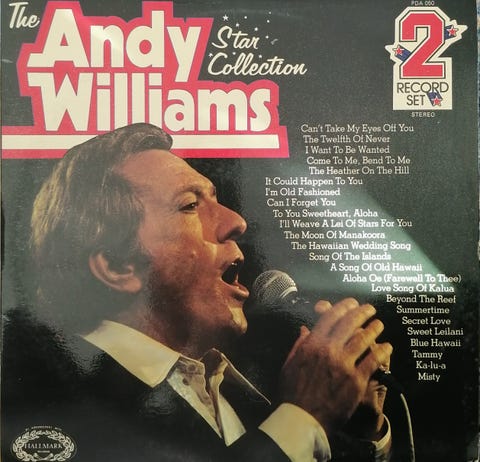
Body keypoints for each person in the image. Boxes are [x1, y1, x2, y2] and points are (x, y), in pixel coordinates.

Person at [3, 123, 393, 461]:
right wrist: (305, 415)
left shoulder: (240, 394)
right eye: (190, 205)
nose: (237, 222)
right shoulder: (47, 399)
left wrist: (358, 431)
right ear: (117, 266)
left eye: (217, 201)